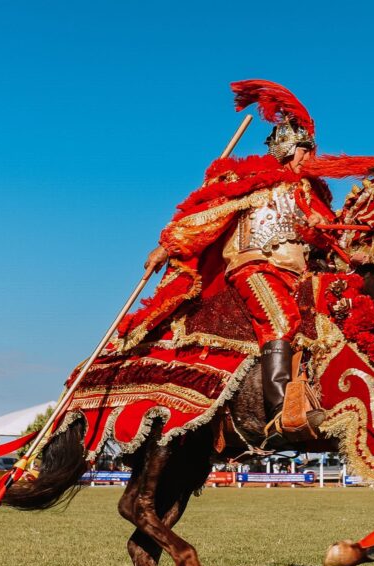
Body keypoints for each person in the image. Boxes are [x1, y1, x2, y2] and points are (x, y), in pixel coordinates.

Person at [144, 80, 332, 441]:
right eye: (306, 151)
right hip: (255, 266)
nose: (311, 158)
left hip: (299, 274)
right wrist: (167, 246)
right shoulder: (255, 184)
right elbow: (208, 216)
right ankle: (282, 412)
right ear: (290, 150)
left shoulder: (311, 195)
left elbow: (326, 238)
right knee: (279, 321)